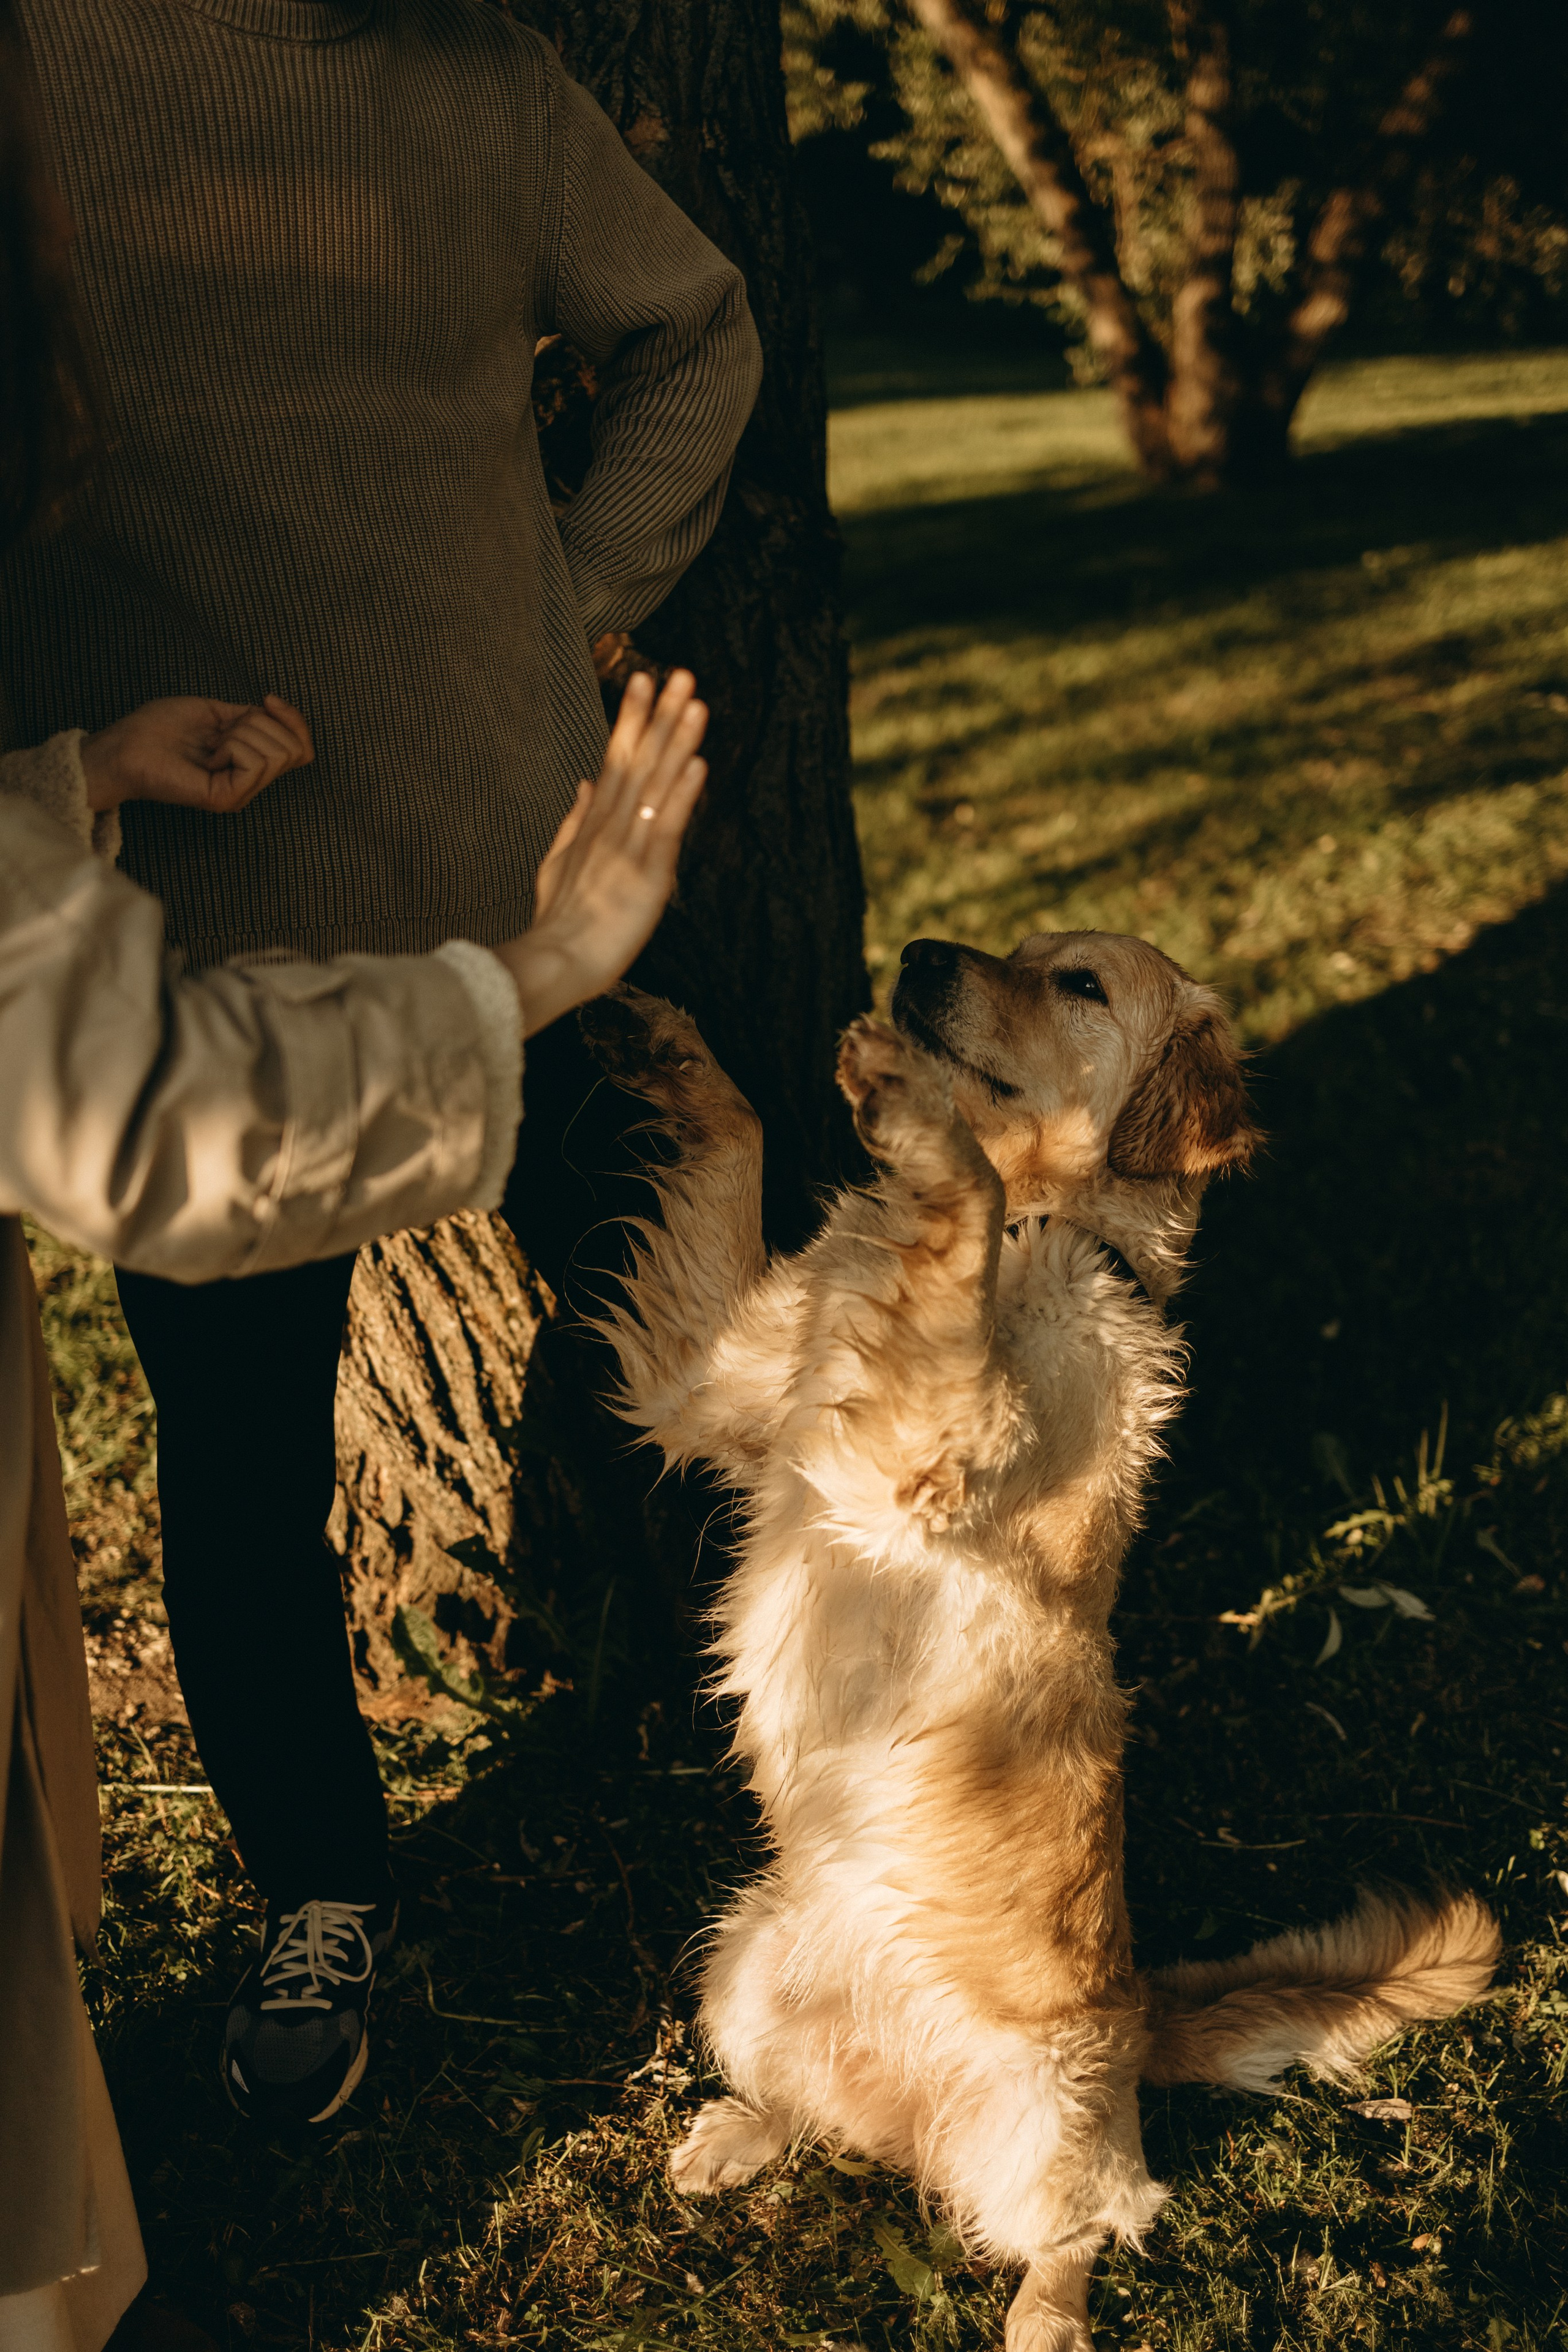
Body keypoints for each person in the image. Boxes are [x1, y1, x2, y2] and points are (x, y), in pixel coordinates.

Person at [1, 0, 764, 2129]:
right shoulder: (30, 69)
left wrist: (567, 587)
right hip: (173, 914)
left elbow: (694, 331)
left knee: (712, 1363)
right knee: (243, 1469)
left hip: (526, 877)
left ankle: (831, 1775)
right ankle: (321, 1890)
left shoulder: (477, 78)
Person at [2, 678, 711, 2339]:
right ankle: (319, 1883)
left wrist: (76, 773)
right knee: (238, 1466)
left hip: (436, 814)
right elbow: (154, 1125)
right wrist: (546, 965)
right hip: (247, 948)